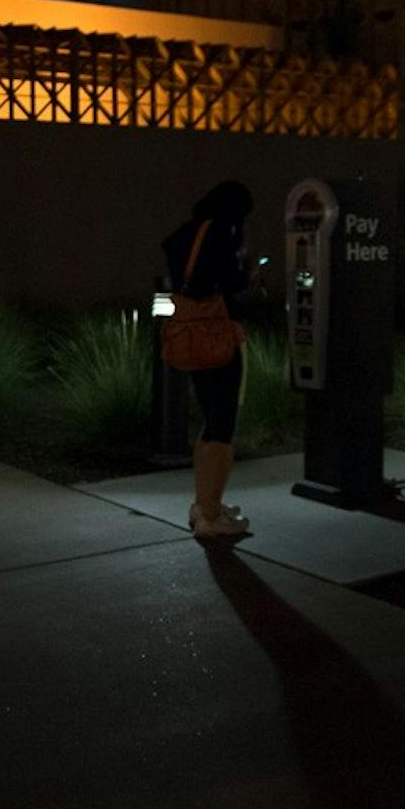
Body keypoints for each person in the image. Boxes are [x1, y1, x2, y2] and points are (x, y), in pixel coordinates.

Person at [161, 179, 255, 540]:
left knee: (209, 418)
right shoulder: (220, 234)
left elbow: (186, 280)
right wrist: (245, 274)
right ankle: (211, 518)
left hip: (191, 337)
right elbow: (225, 283)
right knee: (223, 423)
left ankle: (205, 502)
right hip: (218, 338)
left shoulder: (186, 235)